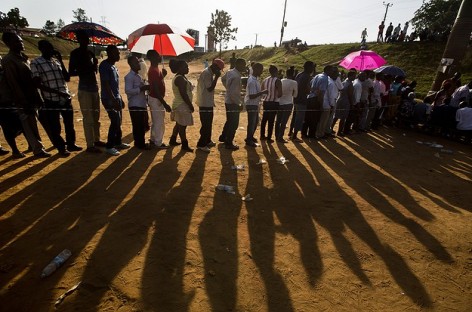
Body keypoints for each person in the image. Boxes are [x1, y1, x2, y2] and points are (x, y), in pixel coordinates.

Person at [1, 32, 51, 158]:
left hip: (33, 96)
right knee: (29, 124)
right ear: (8, 44)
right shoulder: (8, 61)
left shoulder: (24, 58)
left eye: (21, 40)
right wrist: (22, 101)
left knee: (33, 122)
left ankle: (34, 145)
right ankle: (38, 149)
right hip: (23, 99)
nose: (21, 43)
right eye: (17, 41)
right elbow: (13, 83)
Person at [31, 40, 82, 156]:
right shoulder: (36, 63)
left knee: (69, 124)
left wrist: (60, 60)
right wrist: (58, 93)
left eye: (51, 48)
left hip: (65, 98)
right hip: (51, 99)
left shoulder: (56, 62)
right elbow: (37, 84)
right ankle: (61, 148)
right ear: (41, 49)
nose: (51, 50)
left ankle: (71, 144)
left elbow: (67, 78)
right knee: (55, 126)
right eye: (48, 48)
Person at [69, 30, 105, 153]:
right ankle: (90, 145)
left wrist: (94, 65)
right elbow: (71, 72)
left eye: (86, 38)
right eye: (82, 38)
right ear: (78, 40)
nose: (85, 41)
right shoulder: (75, 54)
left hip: (94, 88)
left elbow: (94, 72)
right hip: (84, 88)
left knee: (96, 117)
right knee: (88, 118)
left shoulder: (90, 53)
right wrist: (85, 69)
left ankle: (96, 139)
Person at [99, 45, 129, 156]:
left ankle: (118, 142)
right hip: (108, 99)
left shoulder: (114, 67)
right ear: (110, 54)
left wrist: (119, 98)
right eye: (116, 53)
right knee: (115, 120)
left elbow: (115, 86)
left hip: (116, 98)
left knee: (119, 121)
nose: (118, 55)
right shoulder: (104, 66)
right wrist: (113, 100)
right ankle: (109, 146)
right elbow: (106, 85)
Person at [196, 58, 224, 152]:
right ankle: (201, 144)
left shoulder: (209, 72)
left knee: (208, 123)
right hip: (204, 103)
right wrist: (216, 77)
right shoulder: (207, 74)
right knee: (206, 124)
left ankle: (207, 140)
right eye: (219, 69)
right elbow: (210, 88)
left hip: (207, 102)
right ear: (215, 67)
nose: (219, 71)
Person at [146, 49, 172, 148]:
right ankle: (158, 142)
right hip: (156, 99)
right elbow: (156, 89)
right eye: (157, 55)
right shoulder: (153, 70)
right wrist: (164, 104)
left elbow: (157, 83)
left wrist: (163, 75)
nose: (160, 56)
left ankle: (153, 139)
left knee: (155, 121)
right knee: (159, 122)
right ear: (152, 58)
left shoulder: (156, 69)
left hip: (155, 98)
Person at [0, 55, 24, 158]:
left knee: (17, 125)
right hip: (2, 105)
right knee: (6, 128)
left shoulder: (5, 73)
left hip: (9, 103)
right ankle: (15, 150)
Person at [219, 58, 246, 150]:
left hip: (228, 101)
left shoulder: (230, 72)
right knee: (234, 123)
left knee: (229, 121)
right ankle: (228, 142)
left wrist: (227, 88)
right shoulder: (236, 76)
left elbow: (223, 79)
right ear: (238, 65)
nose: (245, 67)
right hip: (232, 102)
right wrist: (239, 103)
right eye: (243, 65)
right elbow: (233, 94)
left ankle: (223, 137)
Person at [125, 55, 151, 150]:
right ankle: (139, 144)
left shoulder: (138, 76)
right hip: (135, 104)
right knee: (138, 125)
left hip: (141, 103)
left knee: (142, 125)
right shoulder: (129, 77)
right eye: (136, 62)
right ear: (131, 64)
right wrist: (141, 88)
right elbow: (128, 90)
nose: (139, 64)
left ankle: (140, 143)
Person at [168, 59, 195, 152]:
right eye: (185, 67)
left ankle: (173, 139)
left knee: (179, 123)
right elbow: (183, 94)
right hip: (181, 105)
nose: (188, 68)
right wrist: (190, 105)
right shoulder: (180, 78)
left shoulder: (181, 77)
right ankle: (184, 144)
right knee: (182, 126)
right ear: (180, 68)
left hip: (179, 104)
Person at [291, 61, 315, 142]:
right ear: (308, 67)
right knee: (299, 118)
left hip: (296, 98)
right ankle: (294, 136)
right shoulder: (307, 76)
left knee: (295, 116)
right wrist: (312, 90)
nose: (312, 69)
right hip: (302, 99)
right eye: (312, 67)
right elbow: (306, 89)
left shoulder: (299, 74)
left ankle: (291, 132)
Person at [244, 63, 267, 147]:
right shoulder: (252, 81)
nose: (261, 72)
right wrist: (263, 92)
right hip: (251, 104)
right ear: (256, 69)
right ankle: (249, 139)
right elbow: (252, 96)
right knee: (252, 122)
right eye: (261, 70)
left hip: (254, 104)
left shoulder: (255, 79)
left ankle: (250, 137)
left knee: (255, 122)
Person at [306, 65, 331, 139]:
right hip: (316, 99)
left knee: (309, 117)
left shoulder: (318, 75)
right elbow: (321, 93)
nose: (332, 72)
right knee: (315, 119)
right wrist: (321, 105)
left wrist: (312, 91)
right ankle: (312, 135)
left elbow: (309, 85)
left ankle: (306, 134)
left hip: (310, 97)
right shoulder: (325, 79)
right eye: (331, 71)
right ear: (328, 70)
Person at [260, 65, 283, 142]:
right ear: (276, 71)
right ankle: (269, 138)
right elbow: (280, 94)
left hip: (266, 101)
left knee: (264, 119)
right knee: (271, 121)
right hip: (274, 102)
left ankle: (262, 135)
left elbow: (262, 90)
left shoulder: (265, 80)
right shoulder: (278, 81)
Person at [275, 66, 298, 142]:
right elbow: (295, 95)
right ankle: (280, 137)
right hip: (288, 103)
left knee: (278, 121)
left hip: (280, 102)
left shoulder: (281, 80)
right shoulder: (294, 82)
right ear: (293, 74)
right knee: (284, 122)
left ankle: (276, 136)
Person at [316, 67, 339, 139]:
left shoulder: (324, 78)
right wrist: (332, 105)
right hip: (326, 104)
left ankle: (321, 132)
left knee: (322, 120)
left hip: (321, 101)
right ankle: (321, 134)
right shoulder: (331, 82)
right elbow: (331, 96)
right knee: (324, 120)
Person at [333, 70, 356, 136]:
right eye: (354, 76)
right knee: (343, 117)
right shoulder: (350, 84)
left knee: (336, 116)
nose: (355, 77)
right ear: (350, 76)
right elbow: (350, 96)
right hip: (345, 101)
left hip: (340, 99)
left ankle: (331, 128)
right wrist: (352, 104)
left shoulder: (343, 82)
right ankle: (339, 132)